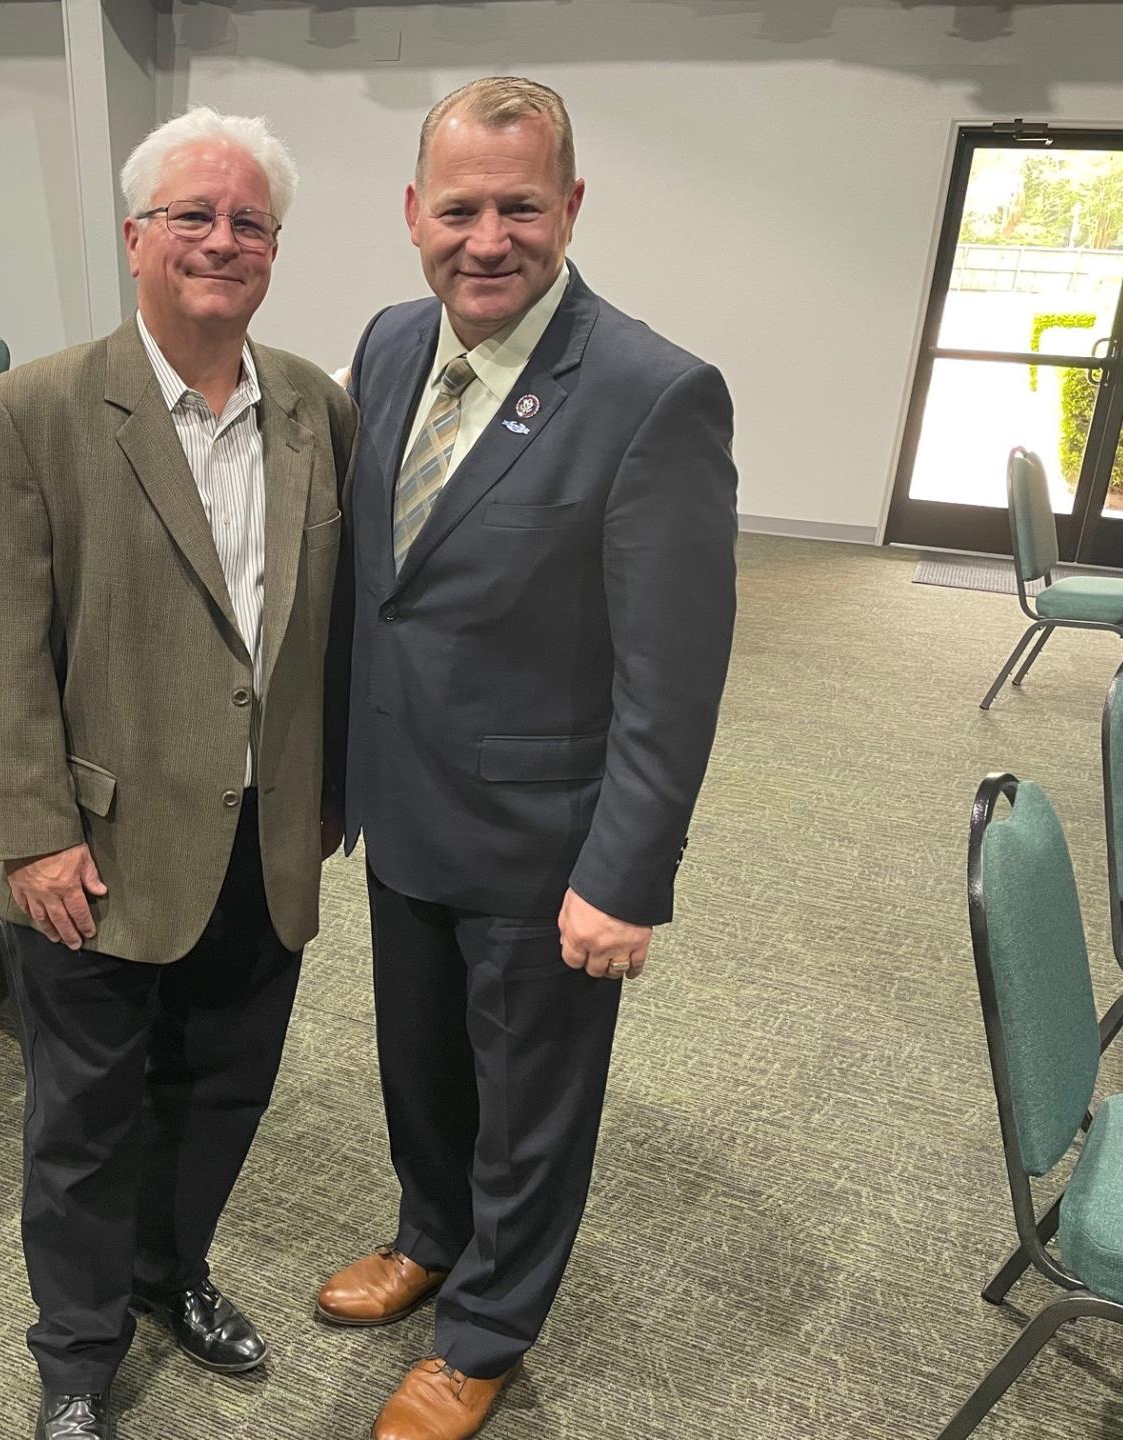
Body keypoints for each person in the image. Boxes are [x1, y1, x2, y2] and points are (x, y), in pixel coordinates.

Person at [317, 78, 738, 1440]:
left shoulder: (651, 393)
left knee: (531, 1111)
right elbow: (380, 589)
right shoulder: (388, 346)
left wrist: (626, 872)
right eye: (458, 208)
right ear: (411, 214)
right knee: (421, 1070)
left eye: (518, 207)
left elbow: (673, 677)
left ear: (570, 207)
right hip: (407, 809)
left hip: (546, 841)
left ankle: (488, 1328)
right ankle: (430, 1235)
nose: (485, 238)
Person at [0, 107, 356, 1440]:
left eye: (249, 222)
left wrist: (331, 783)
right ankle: (75, 1354)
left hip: (266, 834)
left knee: (225, 1089)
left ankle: (170, 1274)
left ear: (274, 251)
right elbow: (0, 642)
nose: (222, 241)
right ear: (135, 237)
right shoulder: (34, 413)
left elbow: (332, 618)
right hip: (99, 847)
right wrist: (28, 834)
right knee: (85, 1121)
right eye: (193, 215)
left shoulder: (315, 407)